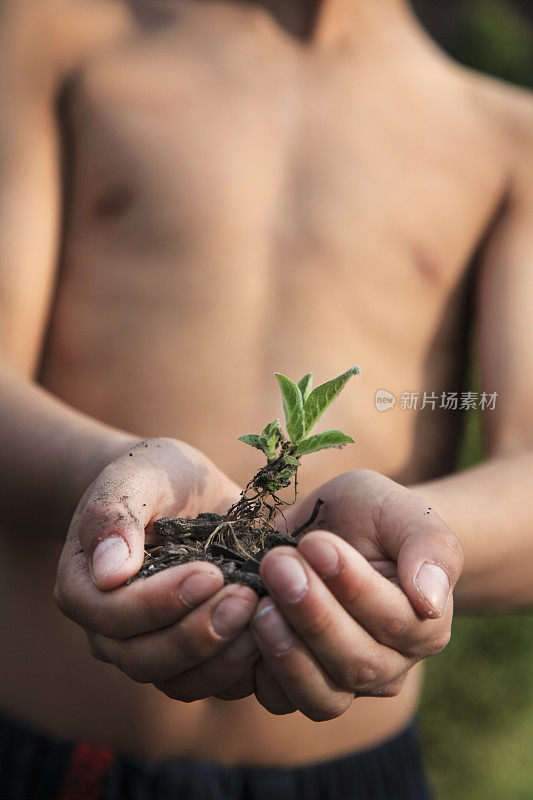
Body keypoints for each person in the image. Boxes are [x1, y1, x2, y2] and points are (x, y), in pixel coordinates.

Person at [1, 0, 532, 797]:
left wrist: (415, 544)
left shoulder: (504, 135)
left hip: (349, 775)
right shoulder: (57, 37)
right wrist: (107, 475)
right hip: (54, 755)